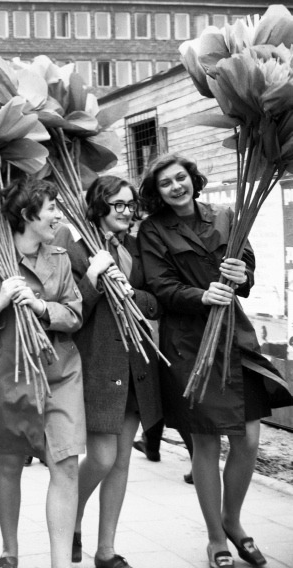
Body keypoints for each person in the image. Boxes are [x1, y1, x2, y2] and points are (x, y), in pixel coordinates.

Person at [137, 153, 293, 568]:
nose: (175, 186)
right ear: (158, 193)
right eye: (165, 183)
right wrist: (201, 295)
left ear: (193, 178)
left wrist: (243, 275)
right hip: (189, 345)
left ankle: (233, 521)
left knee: (249, 439)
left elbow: (249, 270)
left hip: (234, 338)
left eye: (180, 178)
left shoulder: (225, 216)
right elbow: (159, 286)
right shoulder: (152, 231)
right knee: (205, 440)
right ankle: (214, 539)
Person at [0, 178, 85, 568]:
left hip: (60, 371)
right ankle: (9, 550)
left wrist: (40, 308)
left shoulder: (61, 257)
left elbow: (75, 312)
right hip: (8, 372)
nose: (57, 215)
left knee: (66, 463)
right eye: (50, 207)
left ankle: (59, 563)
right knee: (9, 461)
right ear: (27, 214)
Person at [54, 175, 162, 568]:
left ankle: (106, 550)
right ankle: (73, 517)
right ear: (99, 205)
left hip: (137, 363)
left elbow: (156, 299)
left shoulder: (135, 245)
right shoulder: (74, 245)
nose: (127, 211)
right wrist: (94, 277)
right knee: (101, 457)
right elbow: (68, 310)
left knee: (120, 461)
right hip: (99, 364)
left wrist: (135, 295)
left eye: (131, 204)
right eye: (118, 204)